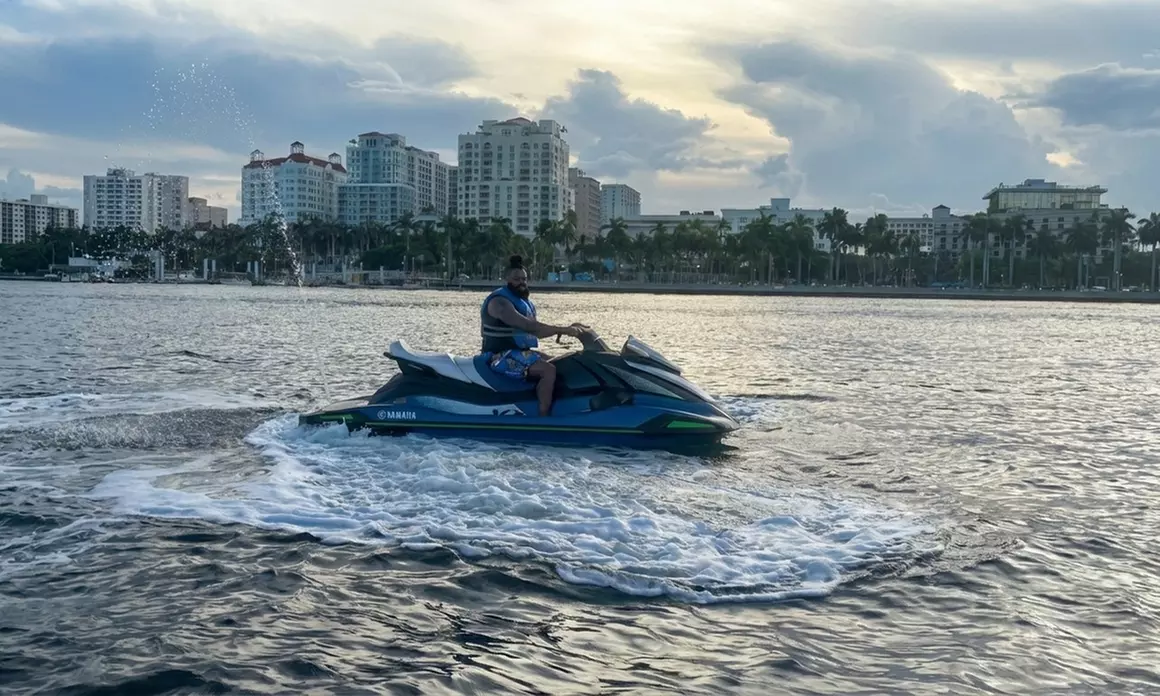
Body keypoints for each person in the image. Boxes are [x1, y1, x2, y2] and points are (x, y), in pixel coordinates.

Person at [481, 255, 585, 416]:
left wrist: (569, 329)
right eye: (516, 279)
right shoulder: (499, 302)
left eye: (524, 279)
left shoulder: (522, 302)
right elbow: (529, 326)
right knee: (548, 370)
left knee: (562, 361)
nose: (521, 282)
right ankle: (543, 416)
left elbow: (537, 332)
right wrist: (562, 330)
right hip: (498, 356)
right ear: (506, 278)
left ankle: (565, 405)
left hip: (519, 353)